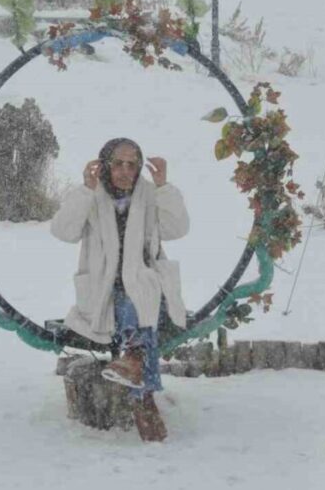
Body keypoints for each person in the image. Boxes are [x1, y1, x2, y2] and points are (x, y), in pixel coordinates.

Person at [50, 138, 190, 442]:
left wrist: (164, 187)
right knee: (134, 307)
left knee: (139, 297)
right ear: (105, 165)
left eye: (132, 164)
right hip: (103, 289)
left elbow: (177, 229)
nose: (126, 171)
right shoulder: (92, 195)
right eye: (118, 163)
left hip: (146, 282)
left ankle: (136, 367)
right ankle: (143, 390)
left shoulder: (149, 195)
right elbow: (63, 231)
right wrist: (85, 191)